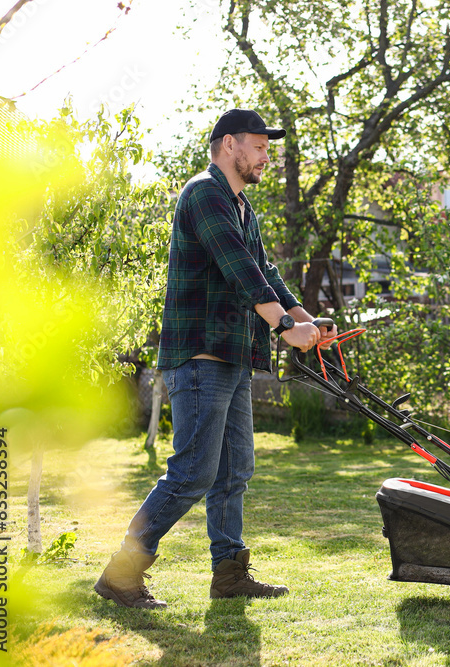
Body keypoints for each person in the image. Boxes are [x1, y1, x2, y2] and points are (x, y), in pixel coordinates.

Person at [95, 109, 334, 609]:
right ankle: (121, 573)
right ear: (229, 145)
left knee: (234, 471)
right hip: (201, 355)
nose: (267, 157)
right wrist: (285, 328)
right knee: (193, 472)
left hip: (232, 356)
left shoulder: (242, 207)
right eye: (259, 147)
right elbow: (238, 267)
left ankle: (229, 574)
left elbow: (265, 271)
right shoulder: (204, 193)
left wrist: (306, 320)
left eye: (268, 148)